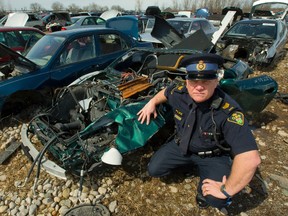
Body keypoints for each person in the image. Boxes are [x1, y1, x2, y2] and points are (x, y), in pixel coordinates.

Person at [137, 53, 261, 212]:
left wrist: (226, 190)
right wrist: (152, 101)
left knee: (215, 199)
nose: (199, 86)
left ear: (216, 81)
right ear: (187, 81)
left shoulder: (229, 111)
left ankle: (206, 183)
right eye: (194, 81)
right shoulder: (180, 92)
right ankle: (189, 166)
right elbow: (166, 92)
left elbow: (250, 159)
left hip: (213, 157)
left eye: (206, 81)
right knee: (154, 170)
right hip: (181, 147)